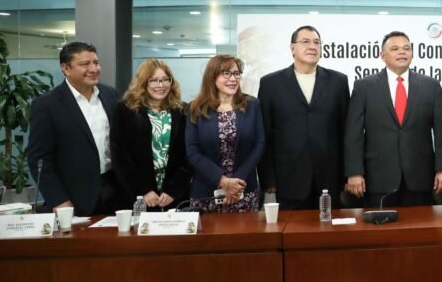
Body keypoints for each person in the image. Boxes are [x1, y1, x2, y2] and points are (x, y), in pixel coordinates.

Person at [344, 31, 442, 207]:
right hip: (377, 177)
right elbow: (353, 134)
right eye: (395, 49)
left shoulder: (431, 86)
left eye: (406, 48)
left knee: (421, 223)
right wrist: (354, 172)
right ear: (382, 55)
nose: (402, 52)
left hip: (420, 178)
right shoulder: (364, 87)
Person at [258, 25, 349, 210]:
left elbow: (346, 131)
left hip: (330, 177)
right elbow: (264, 134)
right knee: (292, 227)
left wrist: (349, 174)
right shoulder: (270, 84)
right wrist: (268, 178)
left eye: (317, 42)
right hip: (288, 177)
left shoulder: (338, 81)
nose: (312, 46)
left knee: (329, 226)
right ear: (292, 48)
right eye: (305, 42)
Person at [26, 42, 123, 216]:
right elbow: (39, 158)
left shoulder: (110, 95)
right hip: (74, 196)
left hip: (114, 191)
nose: (94, 69)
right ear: (66, 68)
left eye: (96, 62)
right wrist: (58, 200)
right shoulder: (47, 105)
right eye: (85, 64)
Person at [185, 55, 265, 212]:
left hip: (243, 189)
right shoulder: (195, 108)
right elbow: (192, 151)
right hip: (206, 192)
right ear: (212, 76)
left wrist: (236, 182)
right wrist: (222, 181)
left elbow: (259, 144)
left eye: (236, 73)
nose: (233, 79)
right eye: (226, 73)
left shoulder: (252, 105)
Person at [111, 59, 191, 210]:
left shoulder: (183, 110)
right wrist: (143, 190)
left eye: (165, 79)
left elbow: (188, 155)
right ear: (143, 83)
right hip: (138, 195)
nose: (161, 85)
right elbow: (120, 157)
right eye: (153, 80)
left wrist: (174, 190)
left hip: (175, 196)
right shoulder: (125, 110)